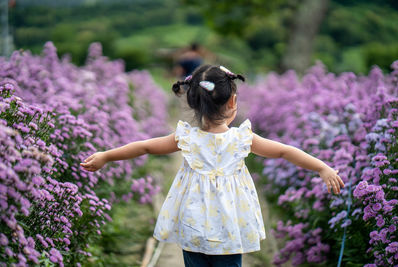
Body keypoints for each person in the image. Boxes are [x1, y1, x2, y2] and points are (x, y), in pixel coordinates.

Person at [80, 64, 345, 267]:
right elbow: (285, 152)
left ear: (193, 102)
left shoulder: (186, 137)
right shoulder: (243, 138)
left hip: (192, 226)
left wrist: (106, 155)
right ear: (232, 103)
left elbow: (145, 146)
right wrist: (321, 167)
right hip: (230, 229)